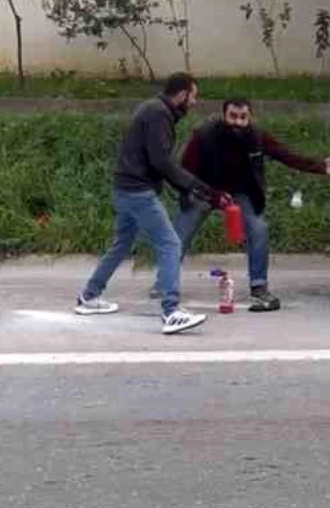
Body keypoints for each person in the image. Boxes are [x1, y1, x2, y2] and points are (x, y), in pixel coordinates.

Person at [75, 72, 225, 336]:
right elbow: (161, 160)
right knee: (170, 243)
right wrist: (196, 186)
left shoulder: (154, 109)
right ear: (182, 94)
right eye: (193, 96)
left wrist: (187, 186)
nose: (194, 102)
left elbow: (158, 160)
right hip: (137, 191)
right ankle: (171, 311)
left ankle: (90, 296)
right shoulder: (158, 114)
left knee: (121, 244)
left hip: (126, 188)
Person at [174, 96, 330, 312]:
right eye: (233, 116)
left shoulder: (256, 137)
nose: (238, 122)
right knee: (180, 232)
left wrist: (321, 167)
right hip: (206, 190)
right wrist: (207, 194)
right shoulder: (204, 135)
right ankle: (165, 282)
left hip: (242, 193)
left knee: (259, 229)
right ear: (224, 115)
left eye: (243, 117)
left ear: (250, 117)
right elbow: (185, 170)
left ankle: (258, 287)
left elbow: (286, 155)